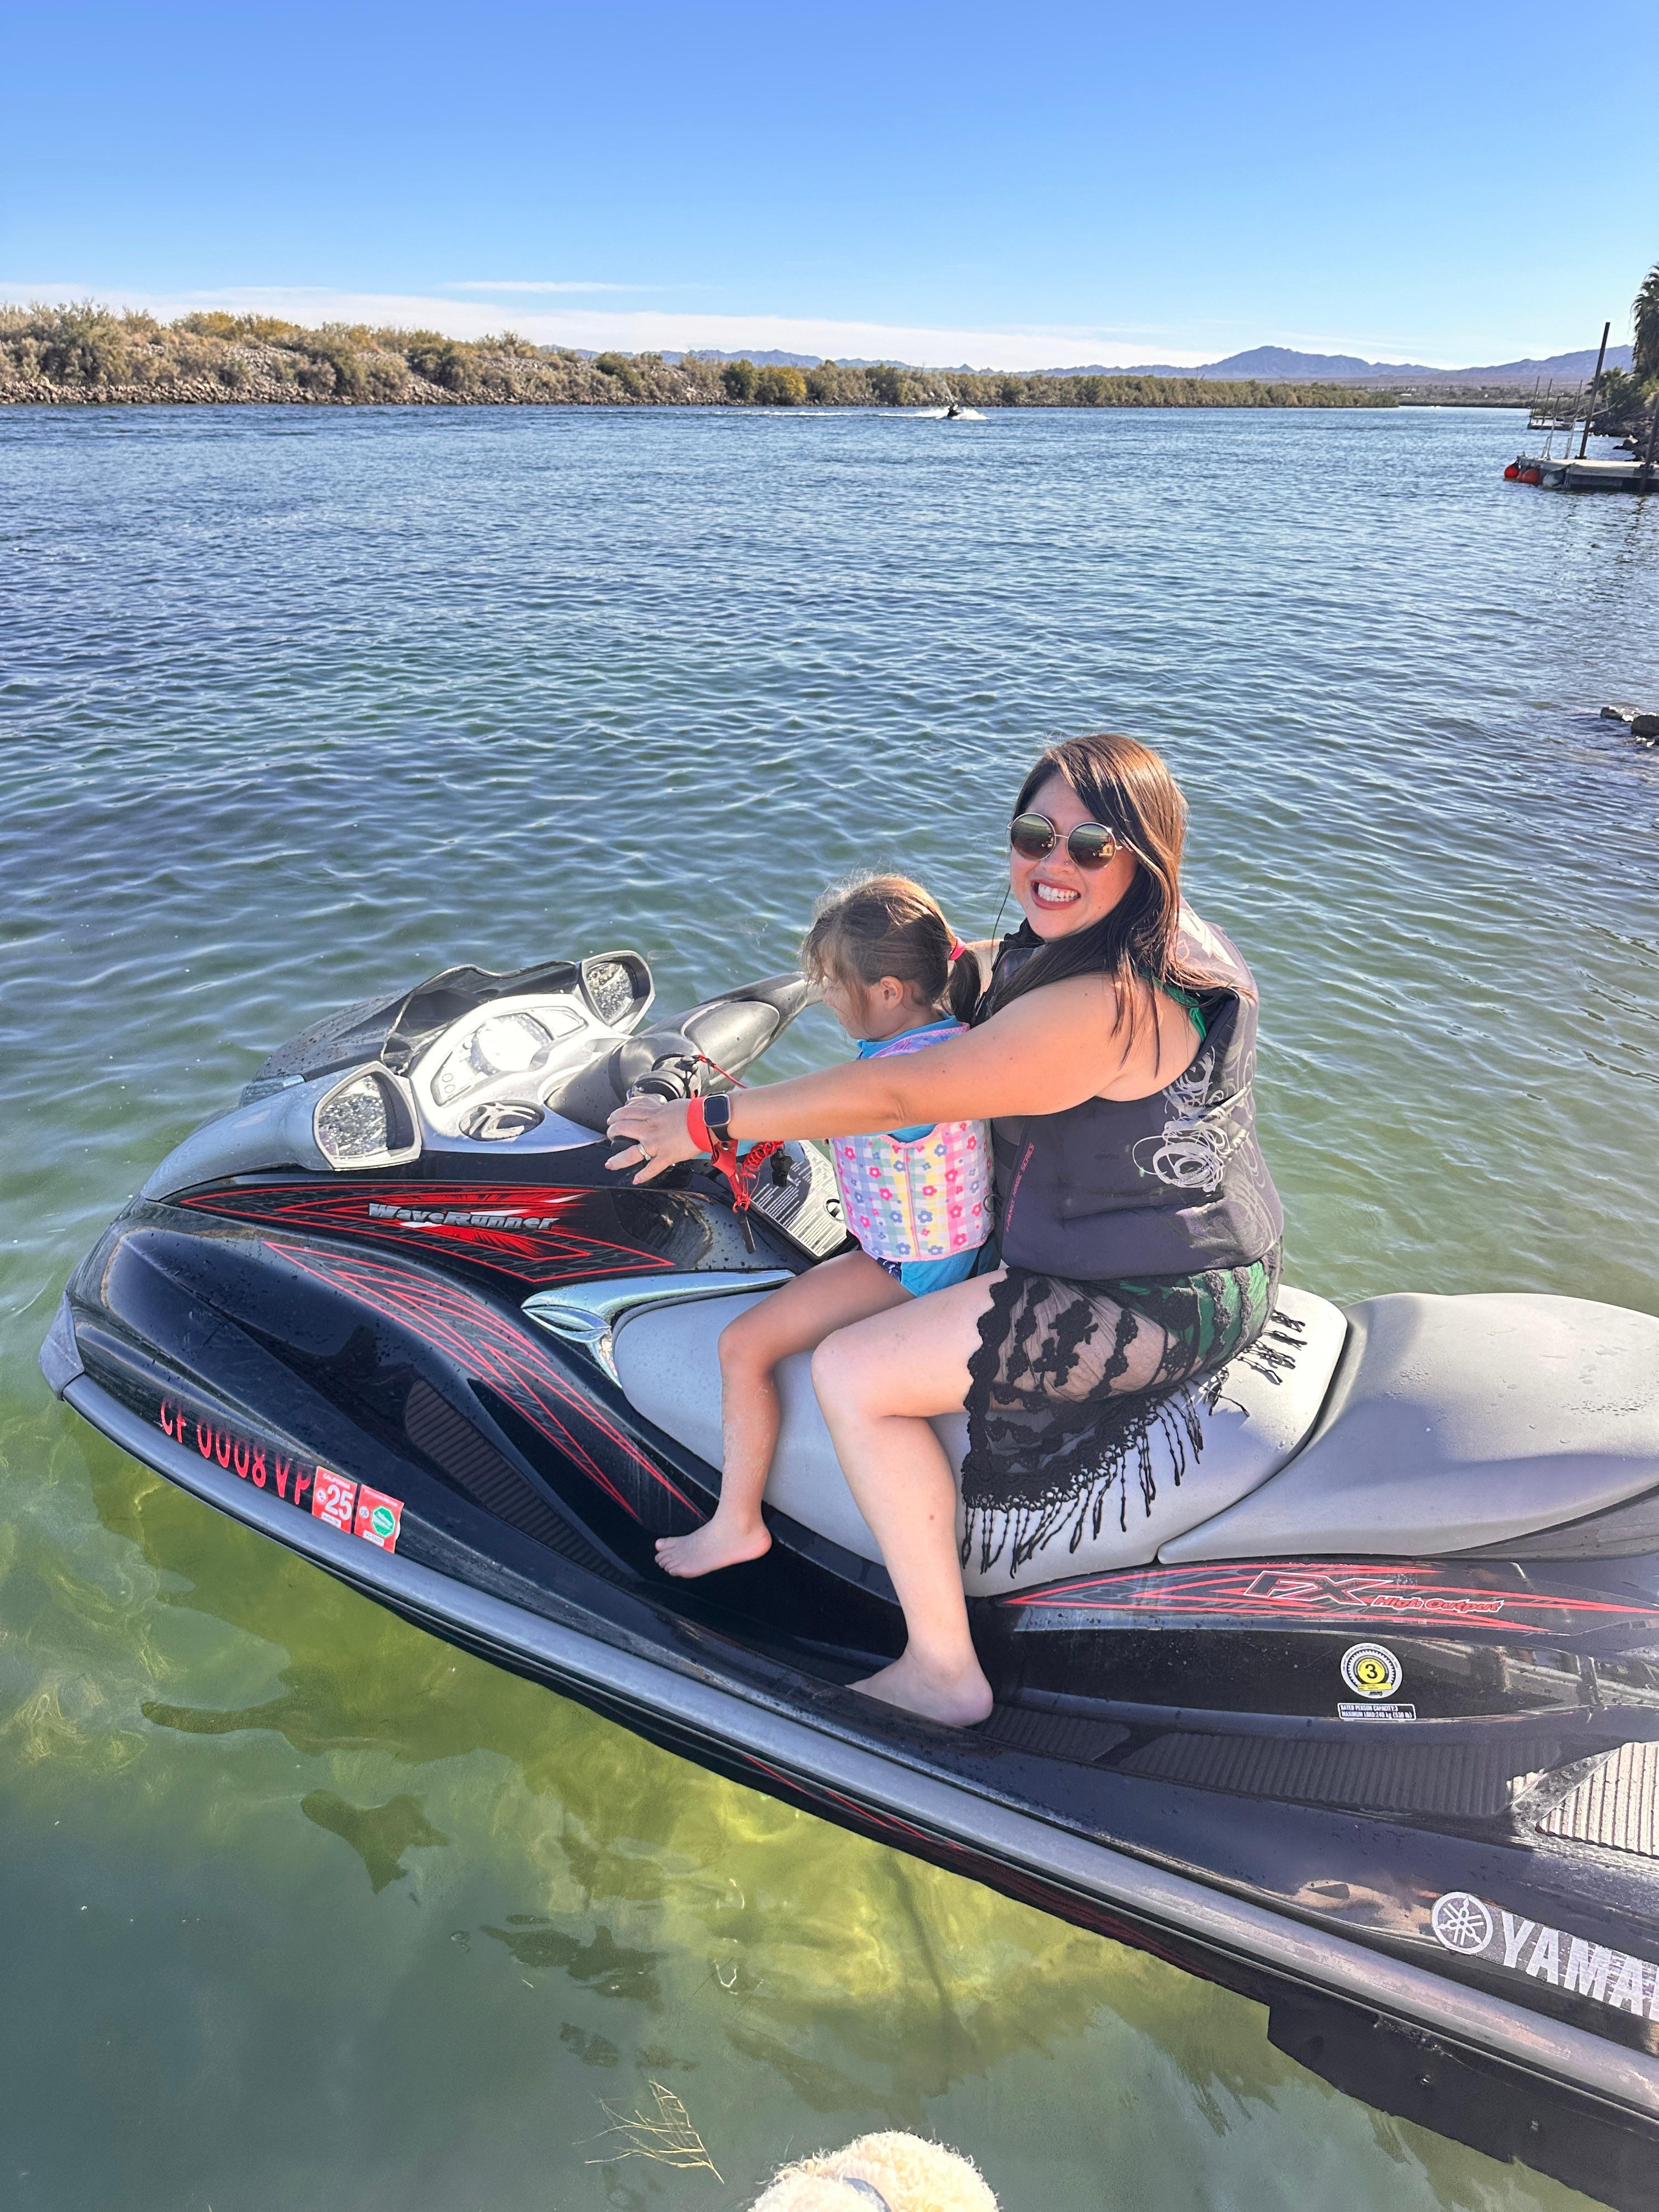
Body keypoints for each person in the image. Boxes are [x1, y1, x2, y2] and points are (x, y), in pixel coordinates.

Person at [608, 734, 1283, 1726]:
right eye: (1032, 834)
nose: (1053, 864)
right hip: (1200, 1246)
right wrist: (887, 965)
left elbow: (895, 1090)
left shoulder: (1104, 1004)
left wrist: (701, 1122)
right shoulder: (1160, 938)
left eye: (1091, 846)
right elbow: (979, 972)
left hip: (1145, 1291)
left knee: (854, 1373)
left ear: (1142, 855)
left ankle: (941, 1667)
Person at [652, 875, 989, 1579]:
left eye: (836, 986)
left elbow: (813, 1114)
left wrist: (697, 1128)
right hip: (927, 1252)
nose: (828, 1000)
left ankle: (736, 1524)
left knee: (745, 1346)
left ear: (892, 991)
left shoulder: (902, 1082)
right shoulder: (955, 1044)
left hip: (910, 1270)